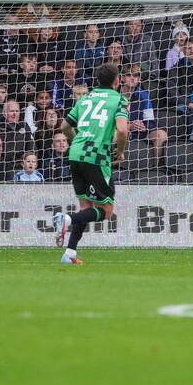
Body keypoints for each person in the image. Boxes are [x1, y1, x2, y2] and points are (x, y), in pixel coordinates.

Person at [53, 63, 129, 264]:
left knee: (86, 206)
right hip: (96, 157)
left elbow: (65, 126)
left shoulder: (86, 98)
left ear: (97, 81)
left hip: (75, 154)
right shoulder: (119, 99)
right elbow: (122, 130)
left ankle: (69, 253)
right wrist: (120, 152)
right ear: (116, 81)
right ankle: (66, 220)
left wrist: (77, 140)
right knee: (106, 211)